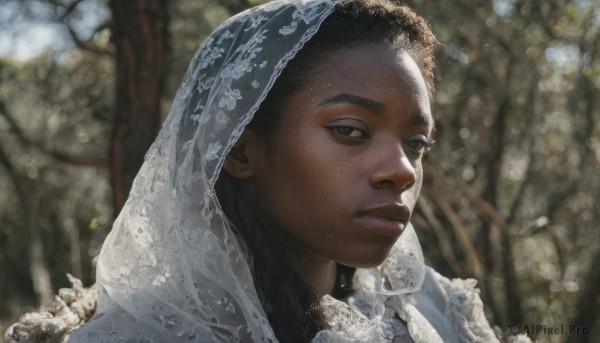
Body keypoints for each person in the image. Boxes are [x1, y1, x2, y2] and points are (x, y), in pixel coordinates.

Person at [68, 0, 517, 342]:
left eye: (416, 143)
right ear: (241, 151)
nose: (402, 171)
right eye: (350, 130)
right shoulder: (147, 332)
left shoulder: (436, 310)